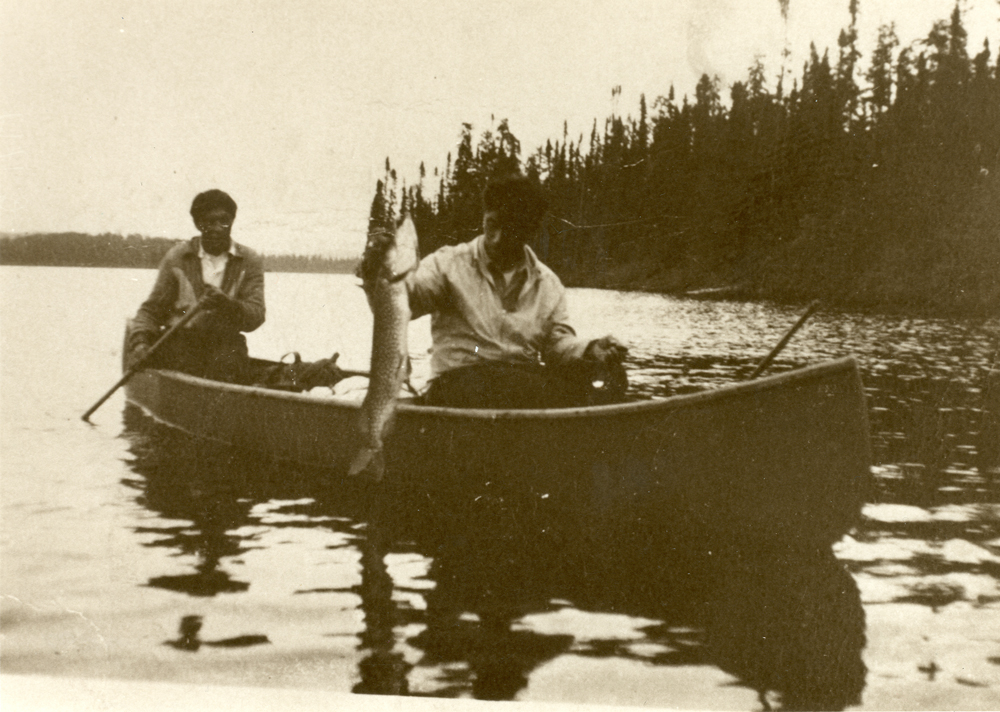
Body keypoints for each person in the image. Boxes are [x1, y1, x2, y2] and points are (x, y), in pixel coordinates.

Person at [404, 173, 627, 409]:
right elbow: (409, 298)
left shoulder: (548, 284)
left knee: (610, 376)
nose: (495, 238)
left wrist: (590, 350)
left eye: (507, 229)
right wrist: (380, 276)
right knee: (521, 387)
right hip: (457, 382)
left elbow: (557, 346)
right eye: (491, 225)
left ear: (527, 231)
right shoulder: (447, 265)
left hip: (521, 384)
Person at [124, 189, 265, 383]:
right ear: (199, 224)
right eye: (209, 222)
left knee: (229, 364)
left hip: (225, 346)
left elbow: (256, 316)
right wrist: (140, 342)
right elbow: (150, 311)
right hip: (181, 344)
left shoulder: (249, 261)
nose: (217, 228)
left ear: (232, 221)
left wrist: (227, 305)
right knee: (182, 356)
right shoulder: (177, 258)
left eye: (224, 221)